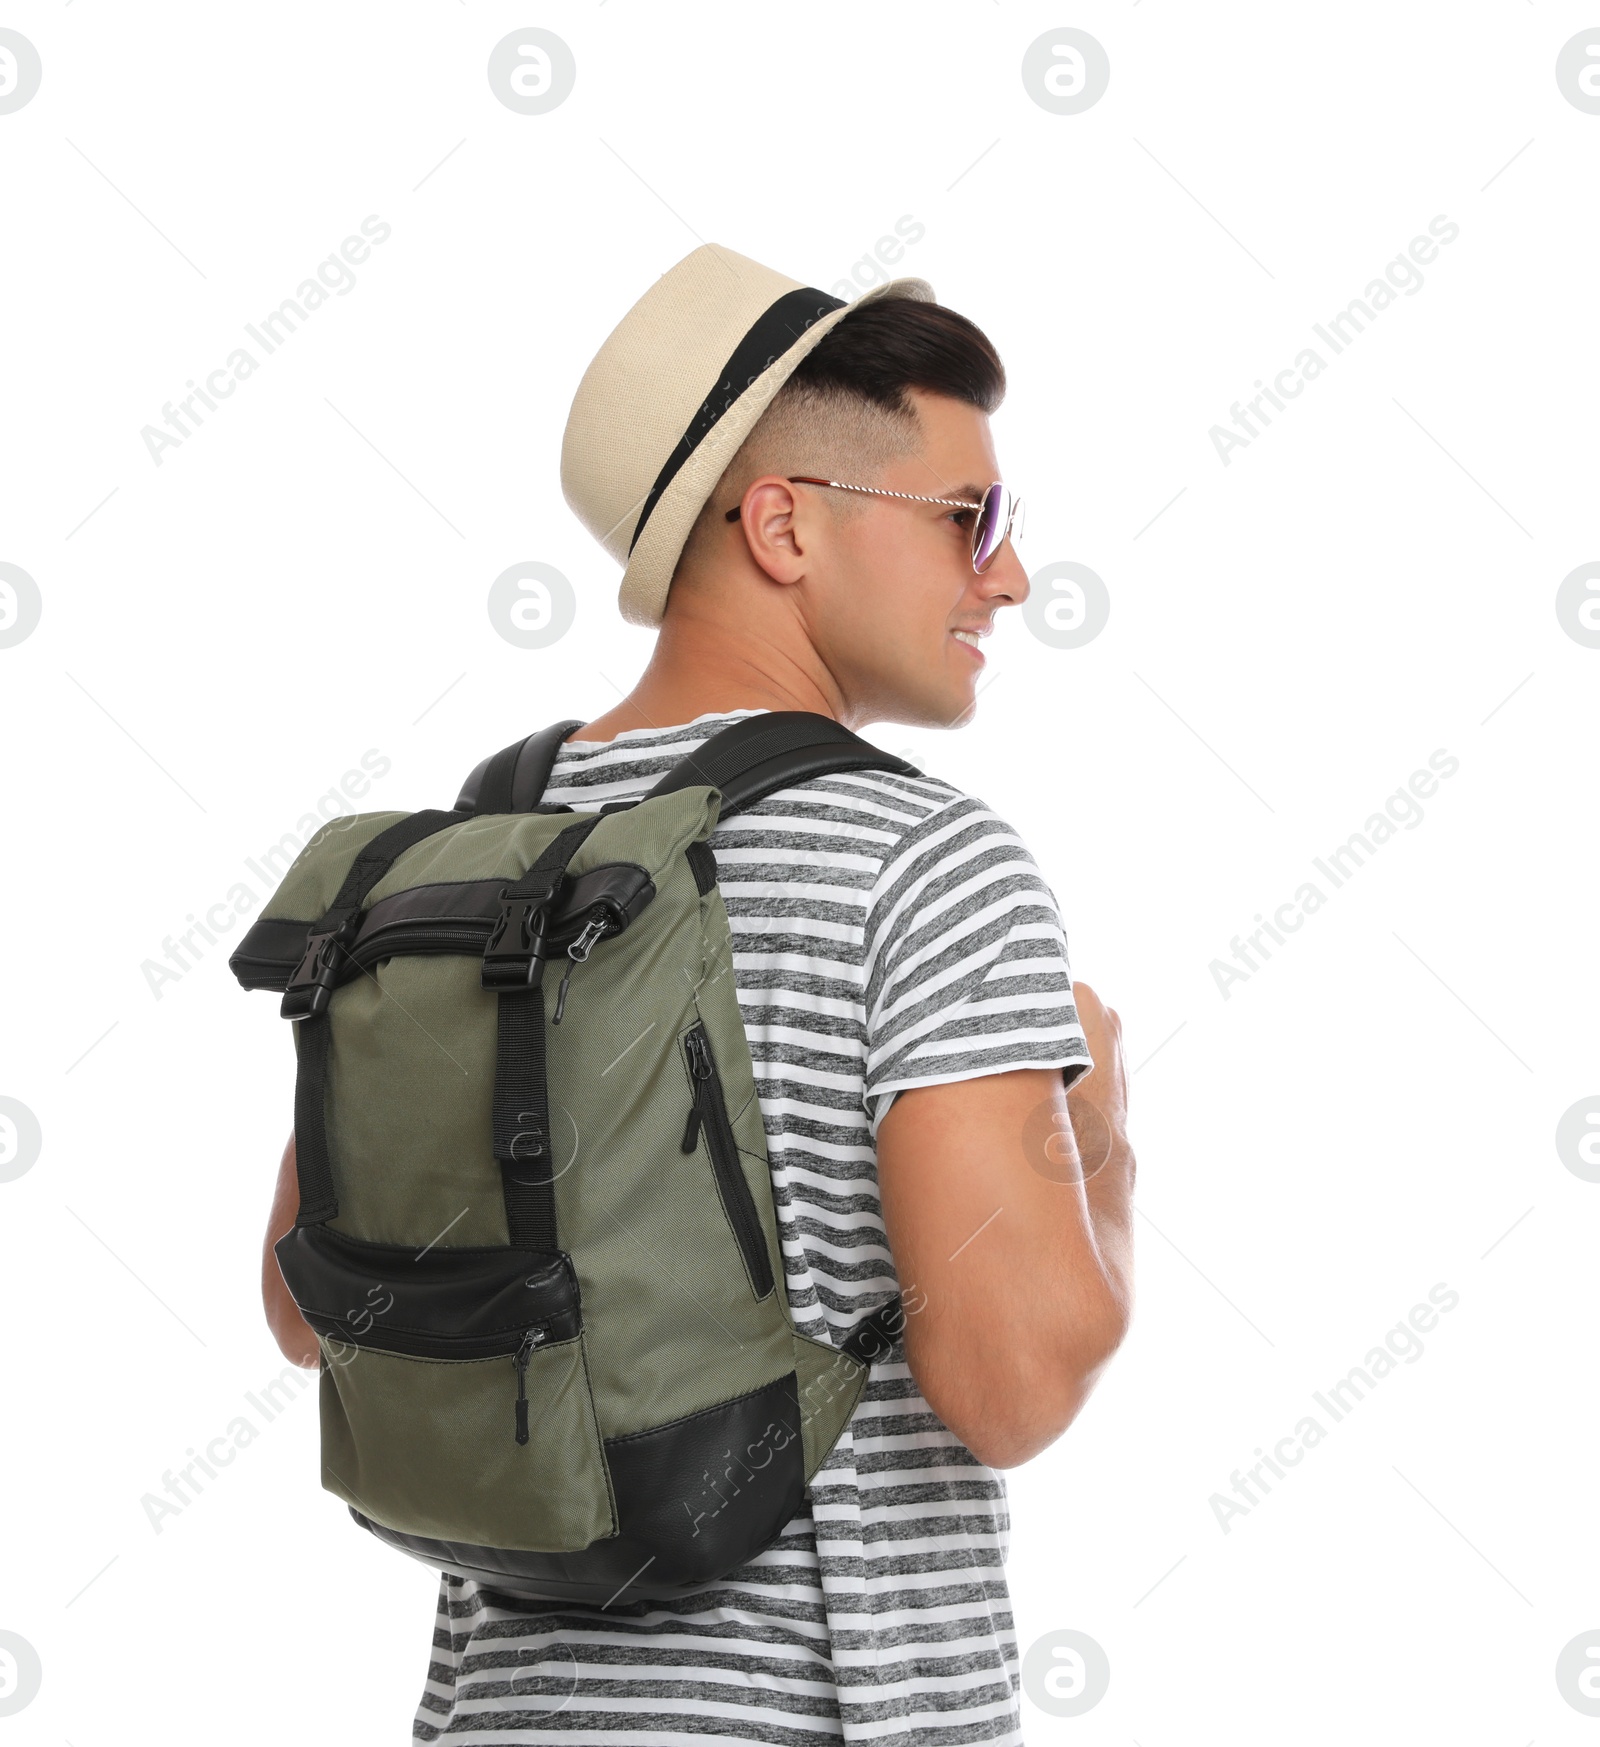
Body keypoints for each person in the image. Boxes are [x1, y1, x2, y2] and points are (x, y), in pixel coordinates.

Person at [263, 244, 1136, 1745]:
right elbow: (1009, 1383)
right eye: (969, 515)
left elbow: (303, 1304)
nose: (1010, 571)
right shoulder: (929, 865)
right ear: (786, 526)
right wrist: (1101, 1143)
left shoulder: (475, 850)